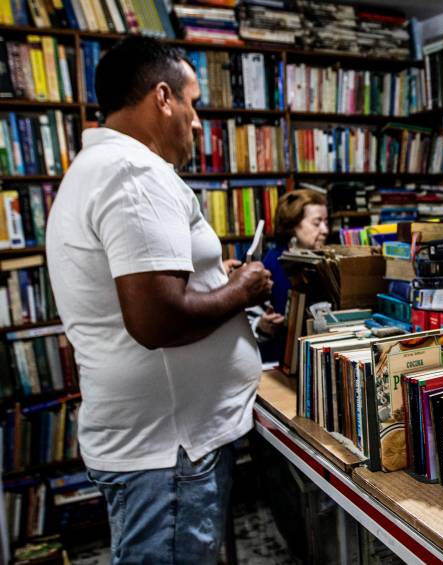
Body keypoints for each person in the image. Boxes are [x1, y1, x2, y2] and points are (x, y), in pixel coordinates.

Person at [45, 36, 273, 564]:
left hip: (161, 446)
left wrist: (215, 281)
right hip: (168, 451)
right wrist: (240, 290)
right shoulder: (135, 173)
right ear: (163, 97)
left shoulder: (101, 167)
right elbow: (157, 321)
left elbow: (147, 288)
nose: (198, 123)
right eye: (193, 104)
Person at [255, 189, 329, 363]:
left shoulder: (323, 261)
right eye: (317, 223)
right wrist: (263, 324)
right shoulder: (271, 264)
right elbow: (254, 322)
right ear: (293, 226)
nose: (325, 230)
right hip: (279, 362)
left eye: (326, 222)